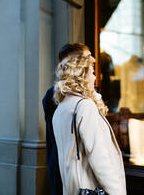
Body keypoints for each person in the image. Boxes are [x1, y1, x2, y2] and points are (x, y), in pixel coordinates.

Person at [52, 46, 127, 194]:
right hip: (90, 189)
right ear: (82, 75)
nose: (94, 78)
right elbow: (100, 159)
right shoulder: (85, 106)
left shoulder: (62, 107)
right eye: (92, 73)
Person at [42, 43, 89, 195]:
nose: (92, 61)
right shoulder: (55, 95)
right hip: (65, 167)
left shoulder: (87, 93)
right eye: (87, 58)